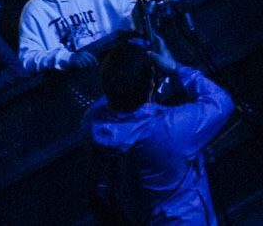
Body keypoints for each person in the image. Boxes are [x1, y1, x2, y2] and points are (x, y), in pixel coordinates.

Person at [83, 35, 234, 226]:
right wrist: (175, 68)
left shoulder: (93, 122)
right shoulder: (171, 127)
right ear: (152, 84)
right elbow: (221, 101)